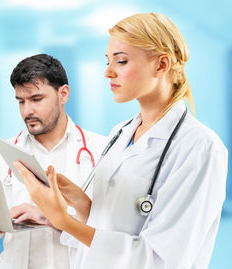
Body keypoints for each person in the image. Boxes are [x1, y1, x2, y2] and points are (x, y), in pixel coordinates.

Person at [14, 13, 228, 269]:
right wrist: (80, 202)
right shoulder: (121, 132)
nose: (108, 72)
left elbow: (161, 260)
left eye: (121, 61)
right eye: (107, 61)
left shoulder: (199, 148)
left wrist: (64, 222)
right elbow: (113, 225)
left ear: (161, 65)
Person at [0, 54, 106, 268]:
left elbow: (108, 234)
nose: (27, 111)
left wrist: (53, 219)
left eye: (36, 99)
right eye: (21, 101)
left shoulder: (101, 151)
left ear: (63, 94)